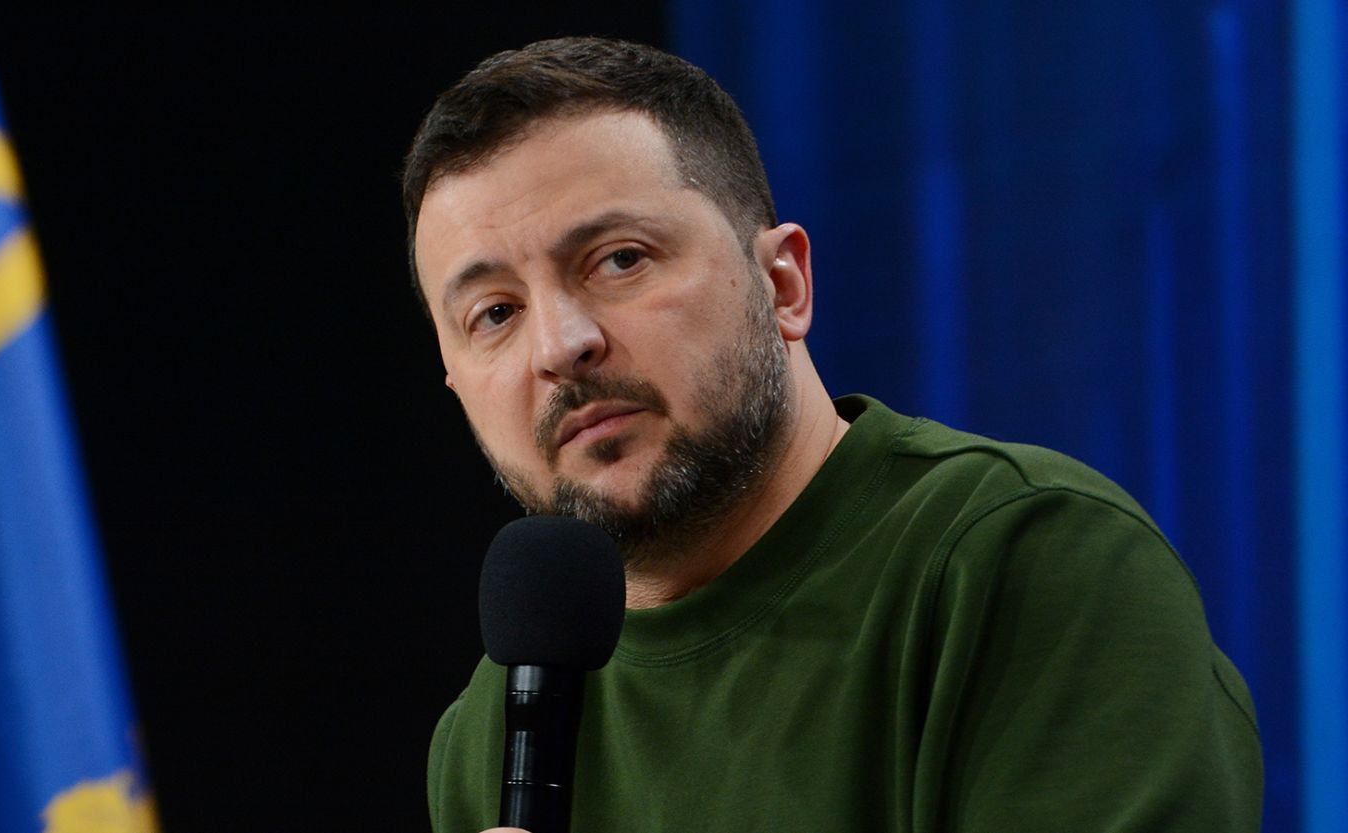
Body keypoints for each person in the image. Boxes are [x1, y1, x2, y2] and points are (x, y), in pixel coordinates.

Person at [404, 37, 1263, 833]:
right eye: (495, 313)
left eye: (619, 258)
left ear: (782, 284)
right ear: (454, 384)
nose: (560, 345)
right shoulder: (494, 728)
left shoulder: (1025, 561)